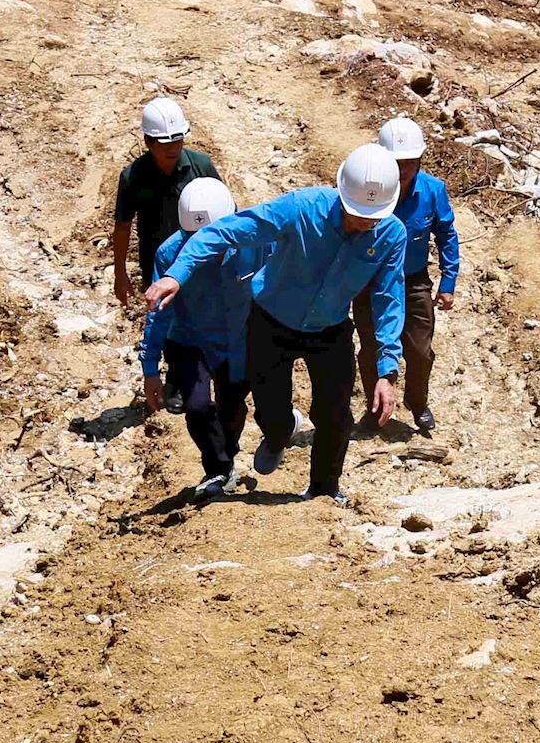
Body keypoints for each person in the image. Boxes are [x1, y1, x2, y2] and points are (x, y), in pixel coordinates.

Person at [146, 145, 407, 504]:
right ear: (342, 194)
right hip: (271, 323)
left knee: (335, 415)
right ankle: (280, 433)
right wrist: (178, 273)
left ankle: (324, 489)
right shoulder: (300, 209)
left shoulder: (391, 235)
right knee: (272, 413)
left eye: (373, 215)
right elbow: (226, 231)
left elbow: (389, 299)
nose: (365, 222)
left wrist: (387, 371)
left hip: (329, 329)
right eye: (357, 212)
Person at [139, 178, 267, 499]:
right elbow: (159, 313)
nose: (203, 247)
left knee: (232, 404)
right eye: (194, 238)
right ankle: (218, 469)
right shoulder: (170, 254)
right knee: (196, 406)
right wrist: (150, 368)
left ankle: (228, 453)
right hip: (188, 340)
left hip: (238, 340)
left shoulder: (255, 242)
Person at [350, 116, 460, 436]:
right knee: (371, 349)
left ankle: (417, 401)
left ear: (419, 161)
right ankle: (376, 411)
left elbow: (446, 234)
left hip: (413, 281)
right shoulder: (367, 189)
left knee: (419, 350)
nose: (402, 170)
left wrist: (448, 280)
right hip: (370, 282)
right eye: (395, 163)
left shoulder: (432, 191)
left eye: (409, 163)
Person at [113, 99, 221, 410]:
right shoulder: (133, 176)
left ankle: (208, 368)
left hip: (204, 256)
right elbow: (122, 226)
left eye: (178, 140)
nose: (173, 148)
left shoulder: (200, 166)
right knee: (169, 320)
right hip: (160, 261)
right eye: (164, 143)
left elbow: (226, 210)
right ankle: (176, 377)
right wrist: (120, 273)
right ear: (147, 142)